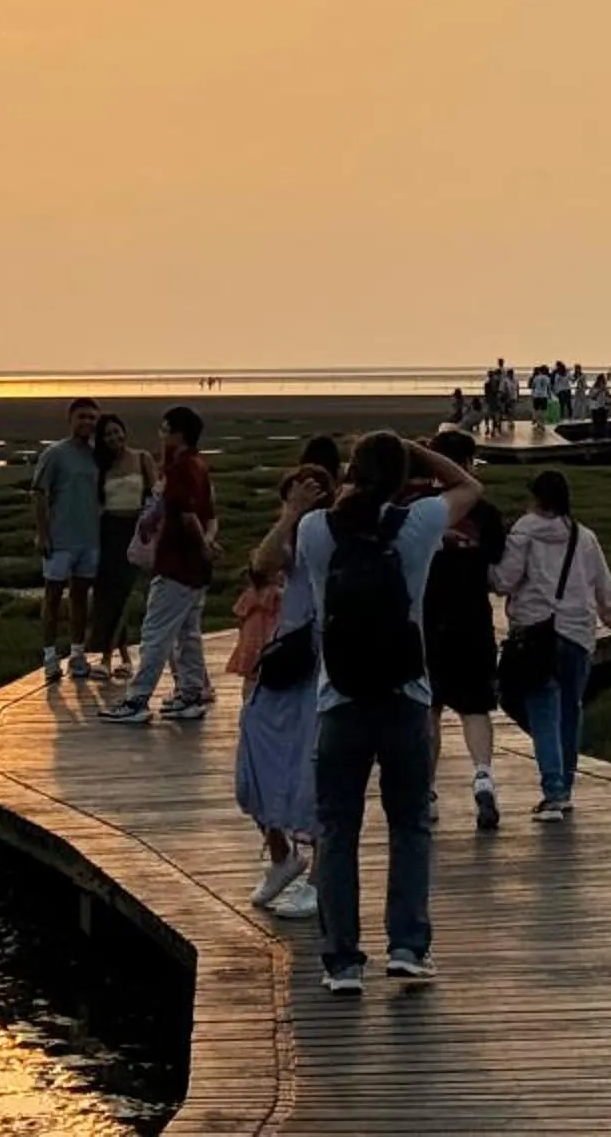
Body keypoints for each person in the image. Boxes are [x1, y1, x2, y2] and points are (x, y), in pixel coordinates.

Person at [295, 431, 483, 995]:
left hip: (339, 700)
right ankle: (406, 948)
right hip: (406, 697)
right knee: (409, 826)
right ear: (402, 475)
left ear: (353, 470)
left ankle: (342, 962)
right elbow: (470, 484)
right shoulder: (420, 523)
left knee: (337, 831)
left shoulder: (316, 529)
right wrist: (416, 450)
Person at [494, 468, 611, 820]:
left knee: (537, 708)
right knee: (569, 711)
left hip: (535, 636)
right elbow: (606, 592)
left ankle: (554, 791)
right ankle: (564, 789)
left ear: (536, 498)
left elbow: (503, 580)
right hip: (578, 635)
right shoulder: (584, 536)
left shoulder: (523, 531)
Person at [230, 462, 325, 918]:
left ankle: (319, 880)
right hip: (285, 661)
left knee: (318, 769)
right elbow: (261, 565)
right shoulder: (292, 535)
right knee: (253, 755)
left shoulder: (333, 536)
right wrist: (289, 516)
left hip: (326, 666)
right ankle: (281, 855)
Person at [98, 406, 220, 724]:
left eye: (165, 429)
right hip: (195, 570)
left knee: (156, 633)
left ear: (178, 434)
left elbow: (187, 513)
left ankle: (138, 699)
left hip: (177, 565)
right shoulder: (199, 465)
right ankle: (190, 695)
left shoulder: (180, 468)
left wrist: (201, 545)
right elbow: (209, 514)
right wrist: (208, 543)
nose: (161, 435)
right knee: (187, 632)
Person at [421, 428, 510, 831]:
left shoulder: (419, 509)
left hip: (427, 622)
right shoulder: (487, 513)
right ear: (470, 464)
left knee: (429, 708)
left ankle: (426, 793)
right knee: (476, 708)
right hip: (473, 620)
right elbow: (497, 572)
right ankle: (483, 777)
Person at [34, 398, 107, 688]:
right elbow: (39, 494)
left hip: (89, 539)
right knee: (52, 597)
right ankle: (50, 656)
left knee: (80, 598)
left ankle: (78, 654)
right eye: (82, 417)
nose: (87, 423)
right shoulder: (55, 454)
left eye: (92, 418)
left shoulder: (97, 456)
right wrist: (43, 533)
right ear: (71, 419)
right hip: (60, 539)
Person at [88, 410, 153, 677]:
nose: (114, 438)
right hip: (110, 530)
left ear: (124, 431)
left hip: (137, 528)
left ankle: (108, 655)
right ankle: (120, 656)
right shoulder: (102, 467)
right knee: (110, 594)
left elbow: (156, 493)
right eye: (108, 435)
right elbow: (97, 502)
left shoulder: (142, 458)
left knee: (126, 591)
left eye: (117, 431)